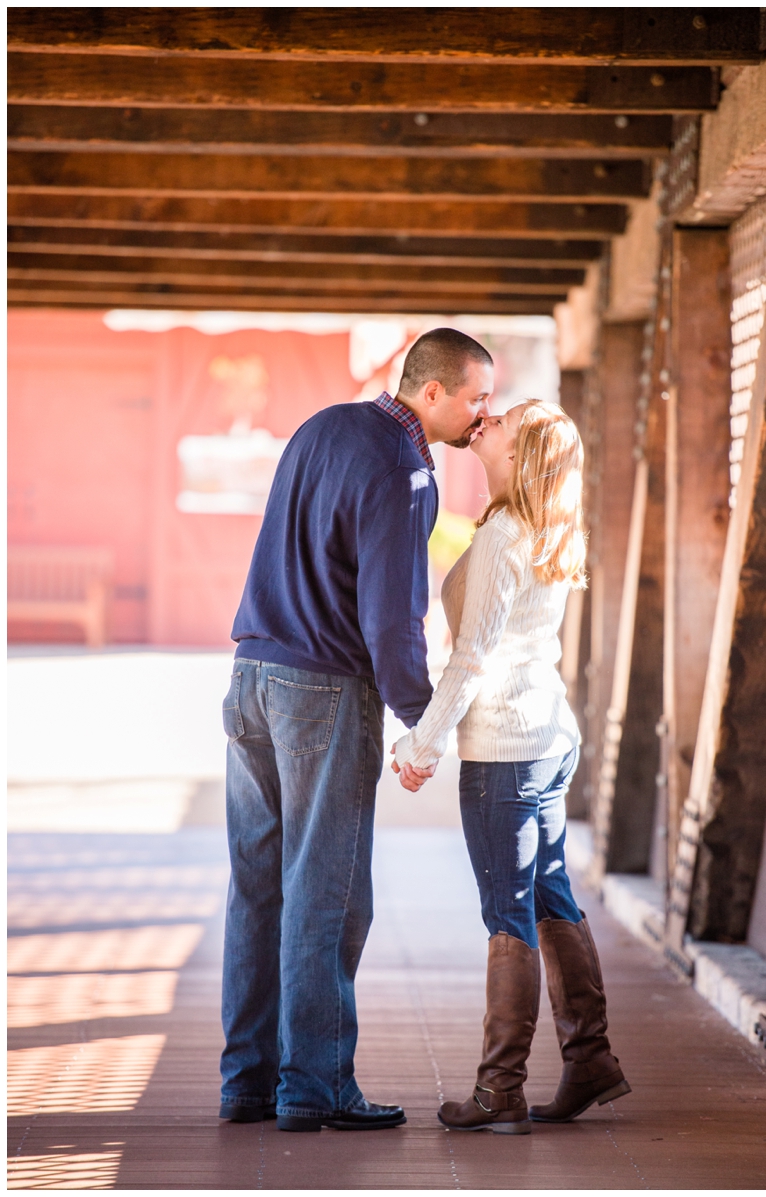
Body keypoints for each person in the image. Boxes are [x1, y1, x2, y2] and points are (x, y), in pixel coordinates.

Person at [219, 328, 494, 1132]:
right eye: (476, 396)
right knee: (329, 896)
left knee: (258, 886)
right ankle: (315, 1086)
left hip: (249, 678)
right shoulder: (406, 472)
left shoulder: (320, 426)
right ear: (432, 392)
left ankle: (248, 1081)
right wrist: (423, 723)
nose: (485, 412)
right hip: (322, 692)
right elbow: (393, 617)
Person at [391, 400, 630, 1135]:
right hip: (550, 737)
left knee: (508, 913)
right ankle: (590, 1061)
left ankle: (501, 1090)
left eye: (504, 420)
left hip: (507, 751)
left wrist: (421, 744)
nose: (486, 419)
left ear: (521, 454)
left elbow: (472, 657)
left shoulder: (504, 534)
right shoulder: (542, 524)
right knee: (550, 893)